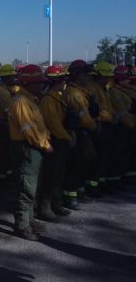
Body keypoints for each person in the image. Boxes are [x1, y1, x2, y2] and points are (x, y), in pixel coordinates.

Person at [8, 65, 53, 240]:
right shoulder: (21, 101)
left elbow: (38, 125)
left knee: (33, 186)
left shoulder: (30, 99)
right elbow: (29, 129)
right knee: (26, 187)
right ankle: (22, 225)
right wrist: (44, 144)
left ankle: (30, 219)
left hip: (34, 147)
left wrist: (44, 141)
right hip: (27, 147)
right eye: (37, 82)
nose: (41, 86)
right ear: (28, 83)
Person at [39, 65, 73, 221]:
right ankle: (45, 208)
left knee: (59, 174)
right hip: (55, 140)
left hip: (61, 139)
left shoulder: (56, 97)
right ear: (57, 82)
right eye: (62, 80)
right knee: (51, 175)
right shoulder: (48, 100)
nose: (64, 82)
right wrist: (67, 137)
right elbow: (54, 124)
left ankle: (57, 204)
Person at [63, 60, 98, 209]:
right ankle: (71, 197)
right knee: (75, 165)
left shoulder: (82, 91)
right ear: (77, 75)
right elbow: (84, 117)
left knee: (82, 164)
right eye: (85, 74)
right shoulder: (74, 93)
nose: (88, 77)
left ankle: (79, 192)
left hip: (83, 132)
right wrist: (94, 127)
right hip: (79, 132)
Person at [85, 62, 116, 194]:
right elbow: (97, 110)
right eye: (106, 77)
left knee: (103, 157)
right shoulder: (93, 89)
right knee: (96, 158)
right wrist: (110, 118)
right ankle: (92, 186)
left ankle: (99, 183)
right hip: (99, 126)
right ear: (97, 76)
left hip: (106, 125)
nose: (108, 79)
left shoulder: (104, 88)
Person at [107, 65, 136, 186]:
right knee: (120, 154)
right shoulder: (115, 92)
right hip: (123, 128)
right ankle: (116, 179)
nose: (130, 81)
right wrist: (132, 125)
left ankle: (128, 175)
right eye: (127, 79)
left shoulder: (128, 90)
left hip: (130, 127)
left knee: (130, 154)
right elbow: (122, 112)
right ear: (119, 79)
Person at [0, 64, 18, 179]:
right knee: (3, 150)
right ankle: (0, 175)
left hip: (5, 122)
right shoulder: (1, 92)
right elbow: (10, 110)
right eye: (12, 76)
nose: (14, 79)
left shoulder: (7, 90)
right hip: (2, 123)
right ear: (6, 78)